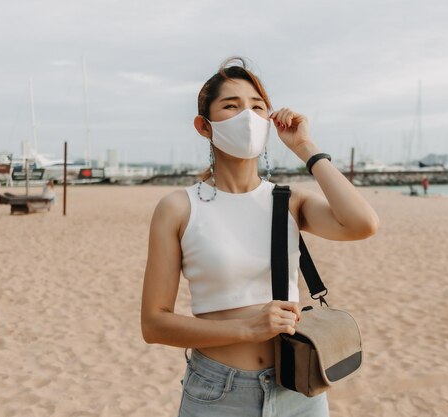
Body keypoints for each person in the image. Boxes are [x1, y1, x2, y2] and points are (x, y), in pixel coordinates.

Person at [140, 58, 379, 417]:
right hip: (218, 392)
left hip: (299, 389)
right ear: (204, 126)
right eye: (231, 106)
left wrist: (305, 148)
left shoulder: (288, 201)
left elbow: (362, 224)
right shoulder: (178, 208)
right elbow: (154, 324)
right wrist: (247, 329)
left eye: (257, 106)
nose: (247, 116)